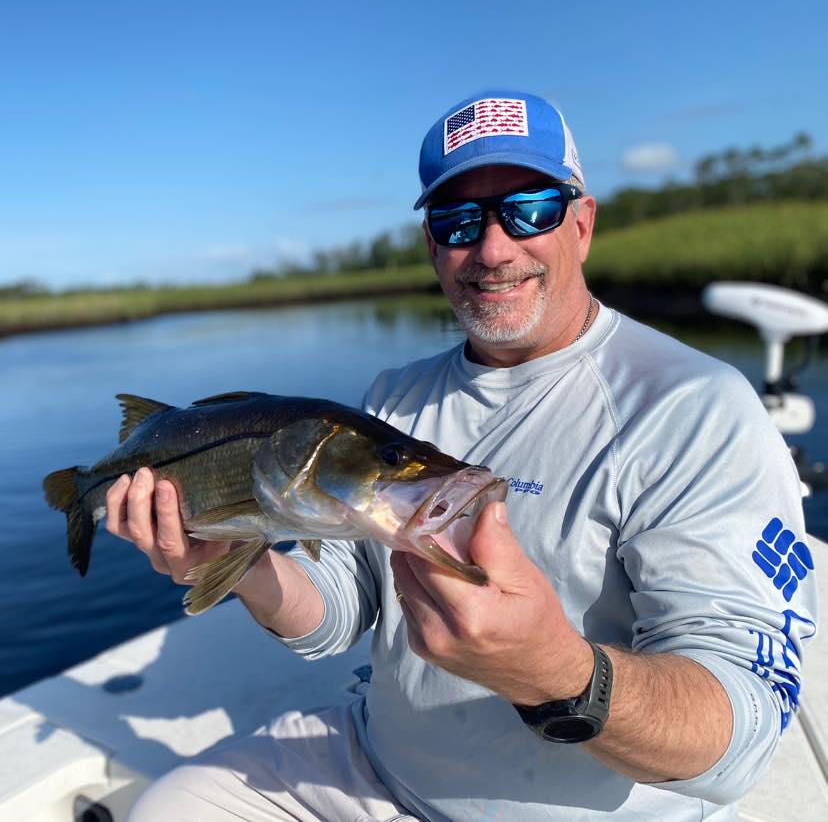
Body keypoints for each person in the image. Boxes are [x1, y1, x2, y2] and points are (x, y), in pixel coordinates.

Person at [113, 90, 818, 821]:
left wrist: (556, 674)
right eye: (458, 221)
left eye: (530, 210)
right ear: (432, 247)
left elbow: (743, 737)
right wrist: (243, 561)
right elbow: (342, 612)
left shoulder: (692, 406)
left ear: (582, 224)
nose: (493, 249)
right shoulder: (394, 398)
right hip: (382, 770)